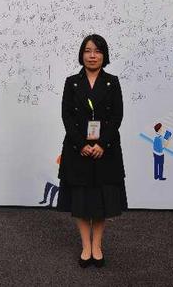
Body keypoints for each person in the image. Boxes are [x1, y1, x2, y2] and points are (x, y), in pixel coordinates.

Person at [57, 34, 127, 269]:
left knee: (100, 201)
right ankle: (85, 246)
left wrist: (102, 144)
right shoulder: (72, 82)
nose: (92, 55)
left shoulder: (112, 82)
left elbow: (117, 116)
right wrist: (82, 144)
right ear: (82, 54)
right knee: (80, 201)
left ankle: (97, 245)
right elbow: (67, 116)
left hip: (105, 150)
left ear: (104, 55)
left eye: (97, 51)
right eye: (87, 51)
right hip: (78, 149)